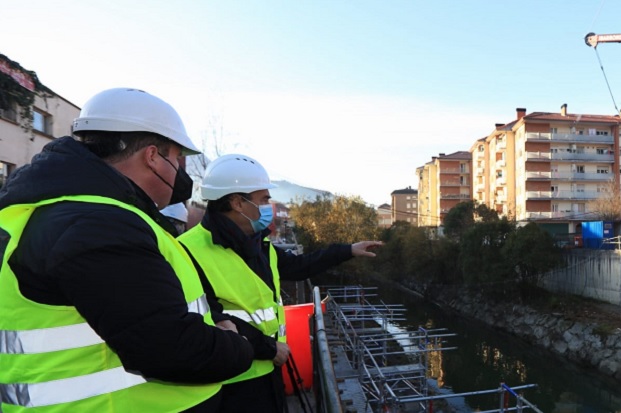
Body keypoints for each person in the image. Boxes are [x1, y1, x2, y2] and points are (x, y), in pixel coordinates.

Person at [0, 88, 254, 412]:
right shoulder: (99, 225)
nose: (181, 171)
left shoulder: (64, 213)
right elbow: (169, 350)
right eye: (178, 158)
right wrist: (238, 345)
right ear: (152, 156)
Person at [177, 153, 382, 413]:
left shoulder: (258, 245)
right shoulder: (188, 250)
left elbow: (300, 266)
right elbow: (206, 317)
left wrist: (347, 250)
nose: (268, 206)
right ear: (238, 202)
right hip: (231, 384)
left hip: (269, 371)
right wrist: (269, 347)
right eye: (263, 199)